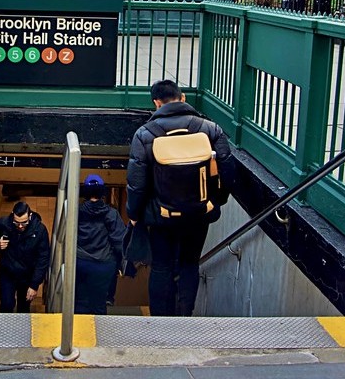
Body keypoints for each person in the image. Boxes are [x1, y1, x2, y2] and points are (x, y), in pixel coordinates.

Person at [126, 80, 237, 317]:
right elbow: (228, 172)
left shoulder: (145, 134)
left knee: (161, 266)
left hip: (161, 215)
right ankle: (185, 316)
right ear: (183, 97)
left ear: (156, 103)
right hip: (199, 213)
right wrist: (215, 201)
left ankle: (159, 319)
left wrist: (135, 214)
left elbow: (137, 184)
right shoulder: (210, 129)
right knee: (189, 263)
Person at [75, 175, 126, 315]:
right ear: (103, 192)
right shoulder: (111, 214)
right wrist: (122, 263)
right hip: (103, 265)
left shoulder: (75, 212)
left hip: (80, 263)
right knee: (99, 303)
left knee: (80, 302)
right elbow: (119, 241)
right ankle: (98, 333)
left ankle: (78, 334)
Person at [0, 201, 50, 313]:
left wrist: (34, 285)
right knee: (6, 305)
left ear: (30, 216)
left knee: (24, 307)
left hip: (27, 275)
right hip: (7, 272)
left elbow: (43, 258)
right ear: (12, 215)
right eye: (17, 223)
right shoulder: (3, 223)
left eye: (24, 223)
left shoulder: (40, 230)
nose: (20, 226)